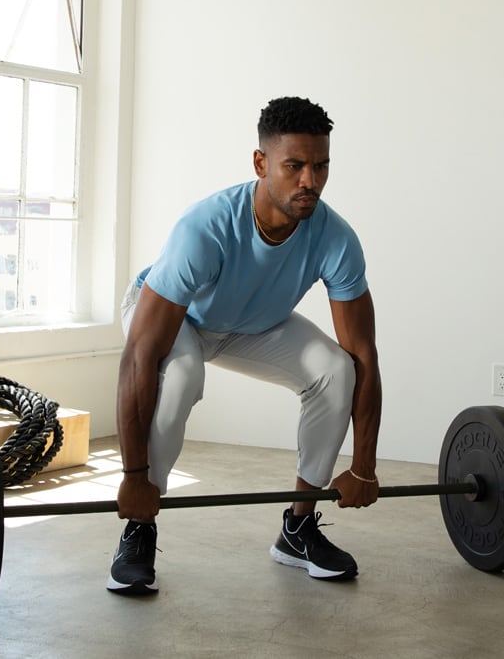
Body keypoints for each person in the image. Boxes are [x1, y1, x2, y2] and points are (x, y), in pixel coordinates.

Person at [107, 96, 382, 595]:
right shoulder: (205, 228)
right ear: (261, 163)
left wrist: (364, 466)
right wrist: (132, 475)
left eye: (320, 167)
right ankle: (138, 528)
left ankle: (297, 529)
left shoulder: (335, 237)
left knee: (337, 369)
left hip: (253, 323)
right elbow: (140, 356)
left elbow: (364, 354)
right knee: (183, 373)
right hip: (177, 318)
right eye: (294, 166)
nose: (309, 182)